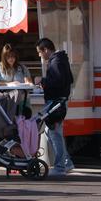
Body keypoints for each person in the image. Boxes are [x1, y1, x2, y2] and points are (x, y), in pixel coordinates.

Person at [36, 37, 75, 176]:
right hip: (59, 101)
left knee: (54, 132)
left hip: (56, 102)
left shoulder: (56, 61)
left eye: (40, 52)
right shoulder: (60, 59)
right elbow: (69, 79)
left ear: (46, 49)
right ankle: (66, 162)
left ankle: (60, 166)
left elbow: (58, 81)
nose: (40, 56)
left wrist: (43, 80)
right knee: (51, 132)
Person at [0, 43, 32, 110]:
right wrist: (8, 84)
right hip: (5, 101)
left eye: (13, 56)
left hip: (22, 101)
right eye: (8, 57)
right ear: (4, 57)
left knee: (21, 119)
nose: (11, 59)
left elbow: (29, 83)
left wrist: (27, 83)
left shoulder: (22, 67)